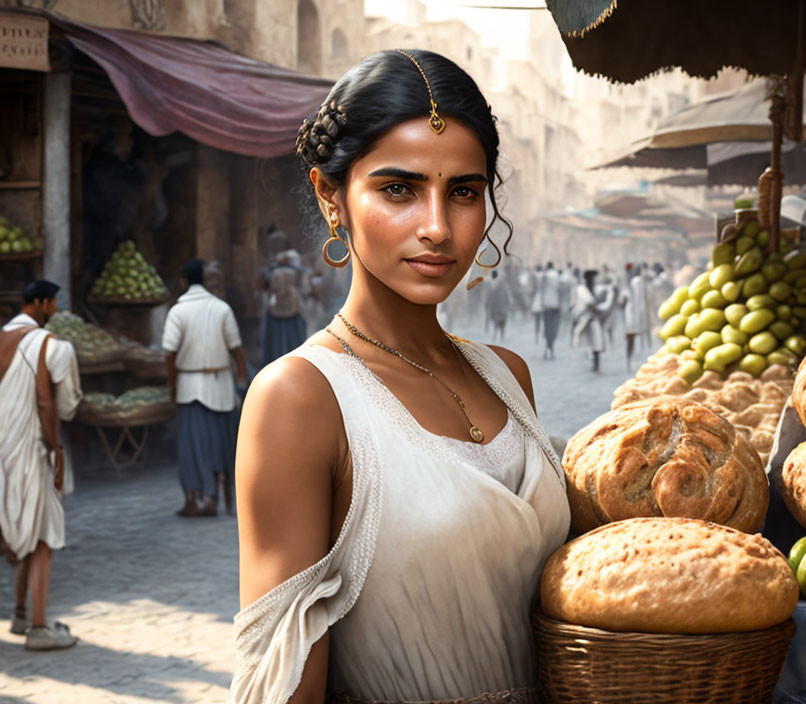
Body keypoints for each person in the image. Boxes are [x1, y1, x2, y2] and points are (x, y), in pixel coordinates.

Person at [231, 49, 570, 704]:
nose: (439, 228)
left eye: (464, 193)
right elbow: (284, 681)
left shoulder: (507, 375)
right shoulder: (301, 398)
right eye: (398, 189)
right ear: (331, 196)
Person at [0, 280, 81, 650]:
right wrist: (56, 450)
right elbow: (52, 405)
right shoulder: (47, 344)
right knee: (42, 535)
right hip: (30, 448)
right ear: (41, 303)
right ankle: (38, 627)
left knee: (20, 529)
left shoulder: (3, 338)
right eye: (53, 302)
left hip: (3, 448)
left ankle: (19, 613)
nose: (56, 309)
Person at [163, 260, 248, 517]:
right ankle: (210, 496)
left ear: (183, 281)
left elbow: (169, 354)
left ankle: (198, 498)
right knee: (219, 444)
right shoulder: (221, 309)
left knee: (192, 447)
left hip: (190, 388)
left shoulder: (177, 312)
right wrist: (240, 380)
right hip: (221, 387)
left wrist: (172, 385)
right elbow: (237, 351)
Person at [262, 249, 309, 365]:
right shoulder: (296, 272)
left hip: (281, 308)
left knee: (277, 341)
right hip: (289, 307)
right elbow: (305, 290)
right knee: (294, 339)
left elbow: (271, 289)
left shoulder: (274, 272)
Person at [571, 270, 612, 372]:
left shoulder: (596, 289)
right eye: (592, 278)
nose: (593, 280)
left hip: (594, 319)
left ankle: (596, 365)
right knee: (590, 343)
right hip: (586, 319)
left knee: (597, 344)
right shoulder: (583, 290)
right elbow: (588, 303)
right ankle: (594, 363)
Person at [540, 261, 562, 359]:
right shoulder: (557, 276)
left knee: (547, 327)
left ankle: (547, 348)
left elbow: (542, 290)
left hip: (546, 305)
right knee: (553, 328)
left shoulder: (545, 276)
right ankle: (551, 348)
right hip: (556, 305)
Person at [485, 269, 511, 341]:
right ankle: (499, 337)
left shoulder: (493, 285)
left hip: (498, 306)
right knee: (500, 321)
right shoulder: (499, 285)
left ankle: (497, 336)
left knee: (498, 321)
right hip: (499, 307)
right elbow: (507, 298)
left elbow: (490, 296)